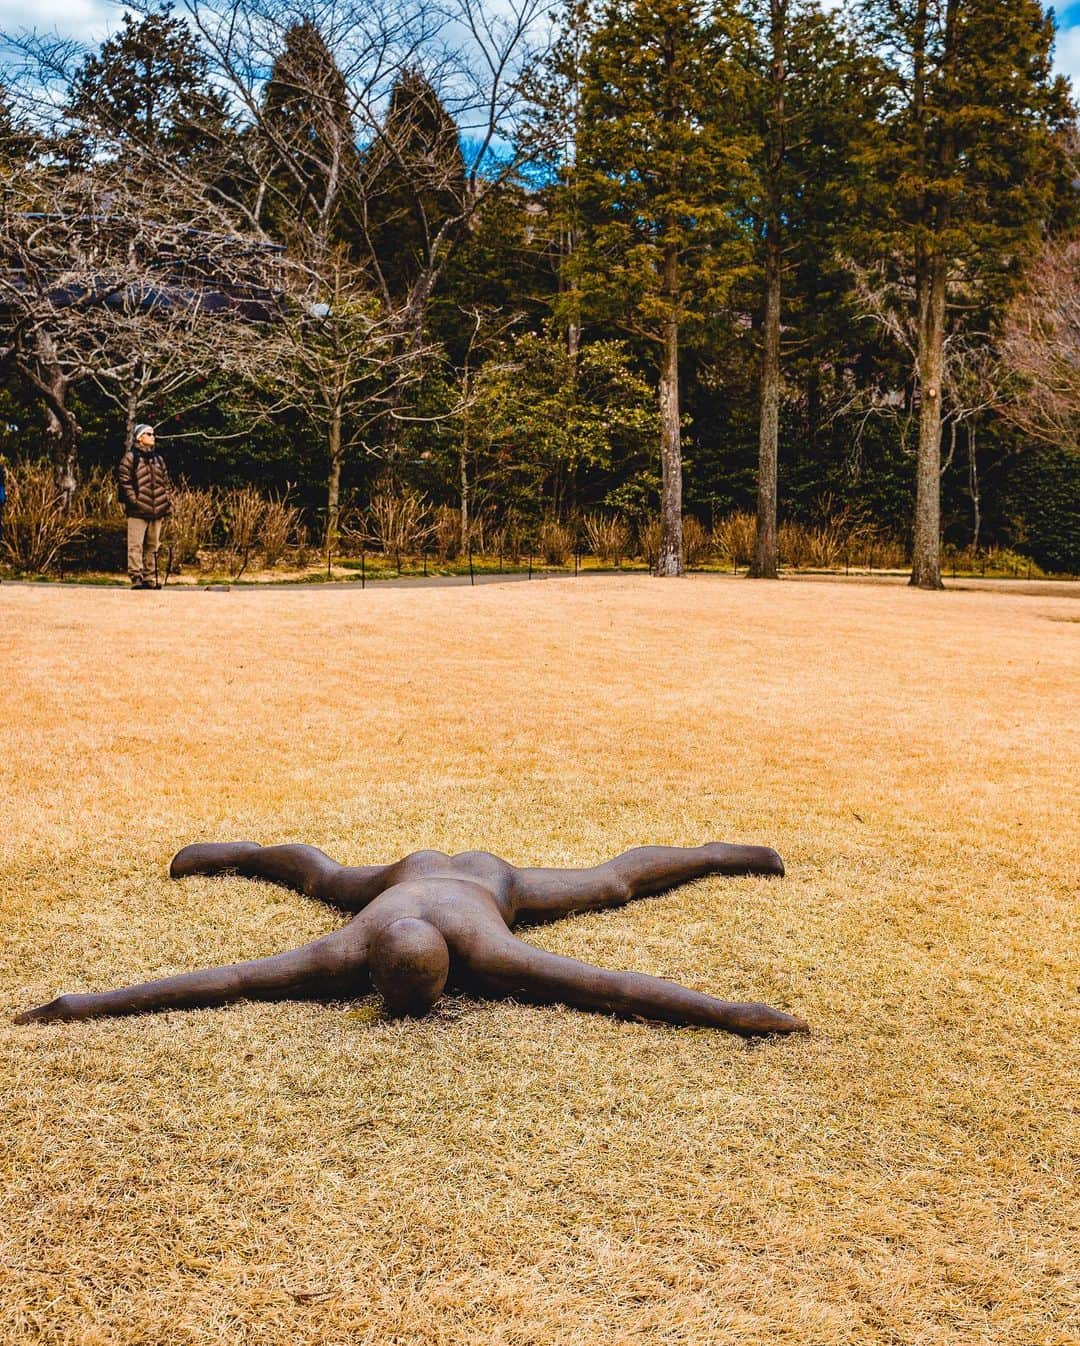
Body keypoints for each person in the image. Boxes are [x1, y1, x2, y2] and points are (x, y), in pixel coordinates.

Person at [14, 840, 809, 1036]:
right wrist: (80, 1004)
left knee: (611, 883)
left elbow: (614, 987)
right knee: (322, 878)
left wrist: (86, 1003)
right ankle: (228, 853)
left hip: (487, 882)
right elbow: (221, 979)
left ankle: (719, 855)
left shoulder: (487, 947)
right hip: (417, 871)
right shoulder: (346, 950)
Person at [117, 423, 172, 589]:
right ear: (140, 437)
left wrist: (166, 502)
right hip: (138, 511)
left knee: (153, 546)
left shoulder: (158, 459)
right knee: (135, 545)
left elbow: (165, 482)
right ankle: (136, 577)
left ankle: (150, 577)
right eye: (149, 434)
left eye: (153, 434)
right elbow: (124, 482)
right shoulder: (130, 458)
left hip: (157, 511)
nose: (152, 437)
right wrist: (135, 501)